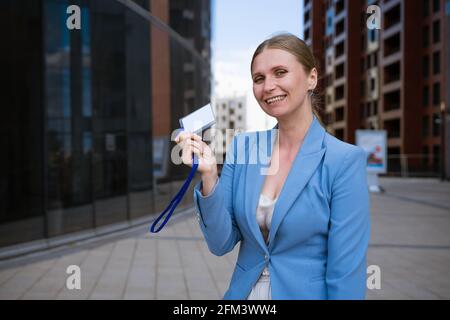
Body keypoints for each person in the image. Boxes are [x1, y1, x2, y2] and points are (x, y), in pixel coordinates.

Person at [175, 33, 370, 300]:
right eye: (259, 78)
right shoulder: (244, 148)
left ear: (311, 78)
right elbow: (220, 243)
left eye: (280, 72)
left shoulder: (344, 161)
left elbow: (346, 274)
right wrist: (209, 175)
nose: (268, 86)